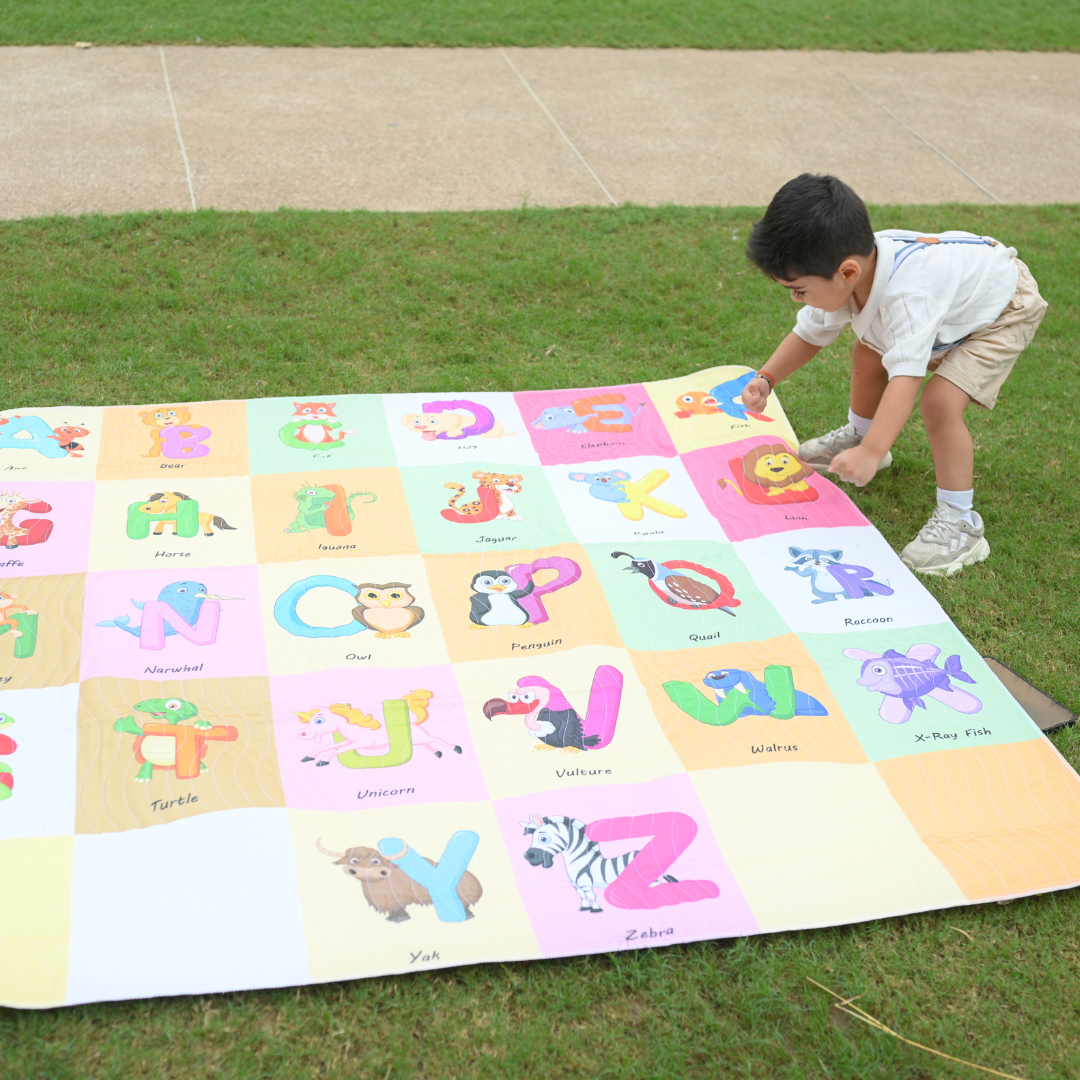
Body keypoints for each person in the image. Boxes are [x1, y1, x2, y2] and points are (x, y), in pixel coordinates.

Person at [740, 173, 1047, 576]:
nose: (797, 299)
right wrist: (767, 378)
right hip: (954, 300)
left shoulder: (907, 296)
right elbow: (808, 334)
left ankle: (960, 522)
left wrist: (869, 457)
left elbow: (906, 378)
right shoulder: (848, 270)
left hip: (1002, 311)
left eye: (798, 290)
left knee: (940, 403)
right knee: (868, 351)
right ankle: (864, 433)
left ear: (848, 273)